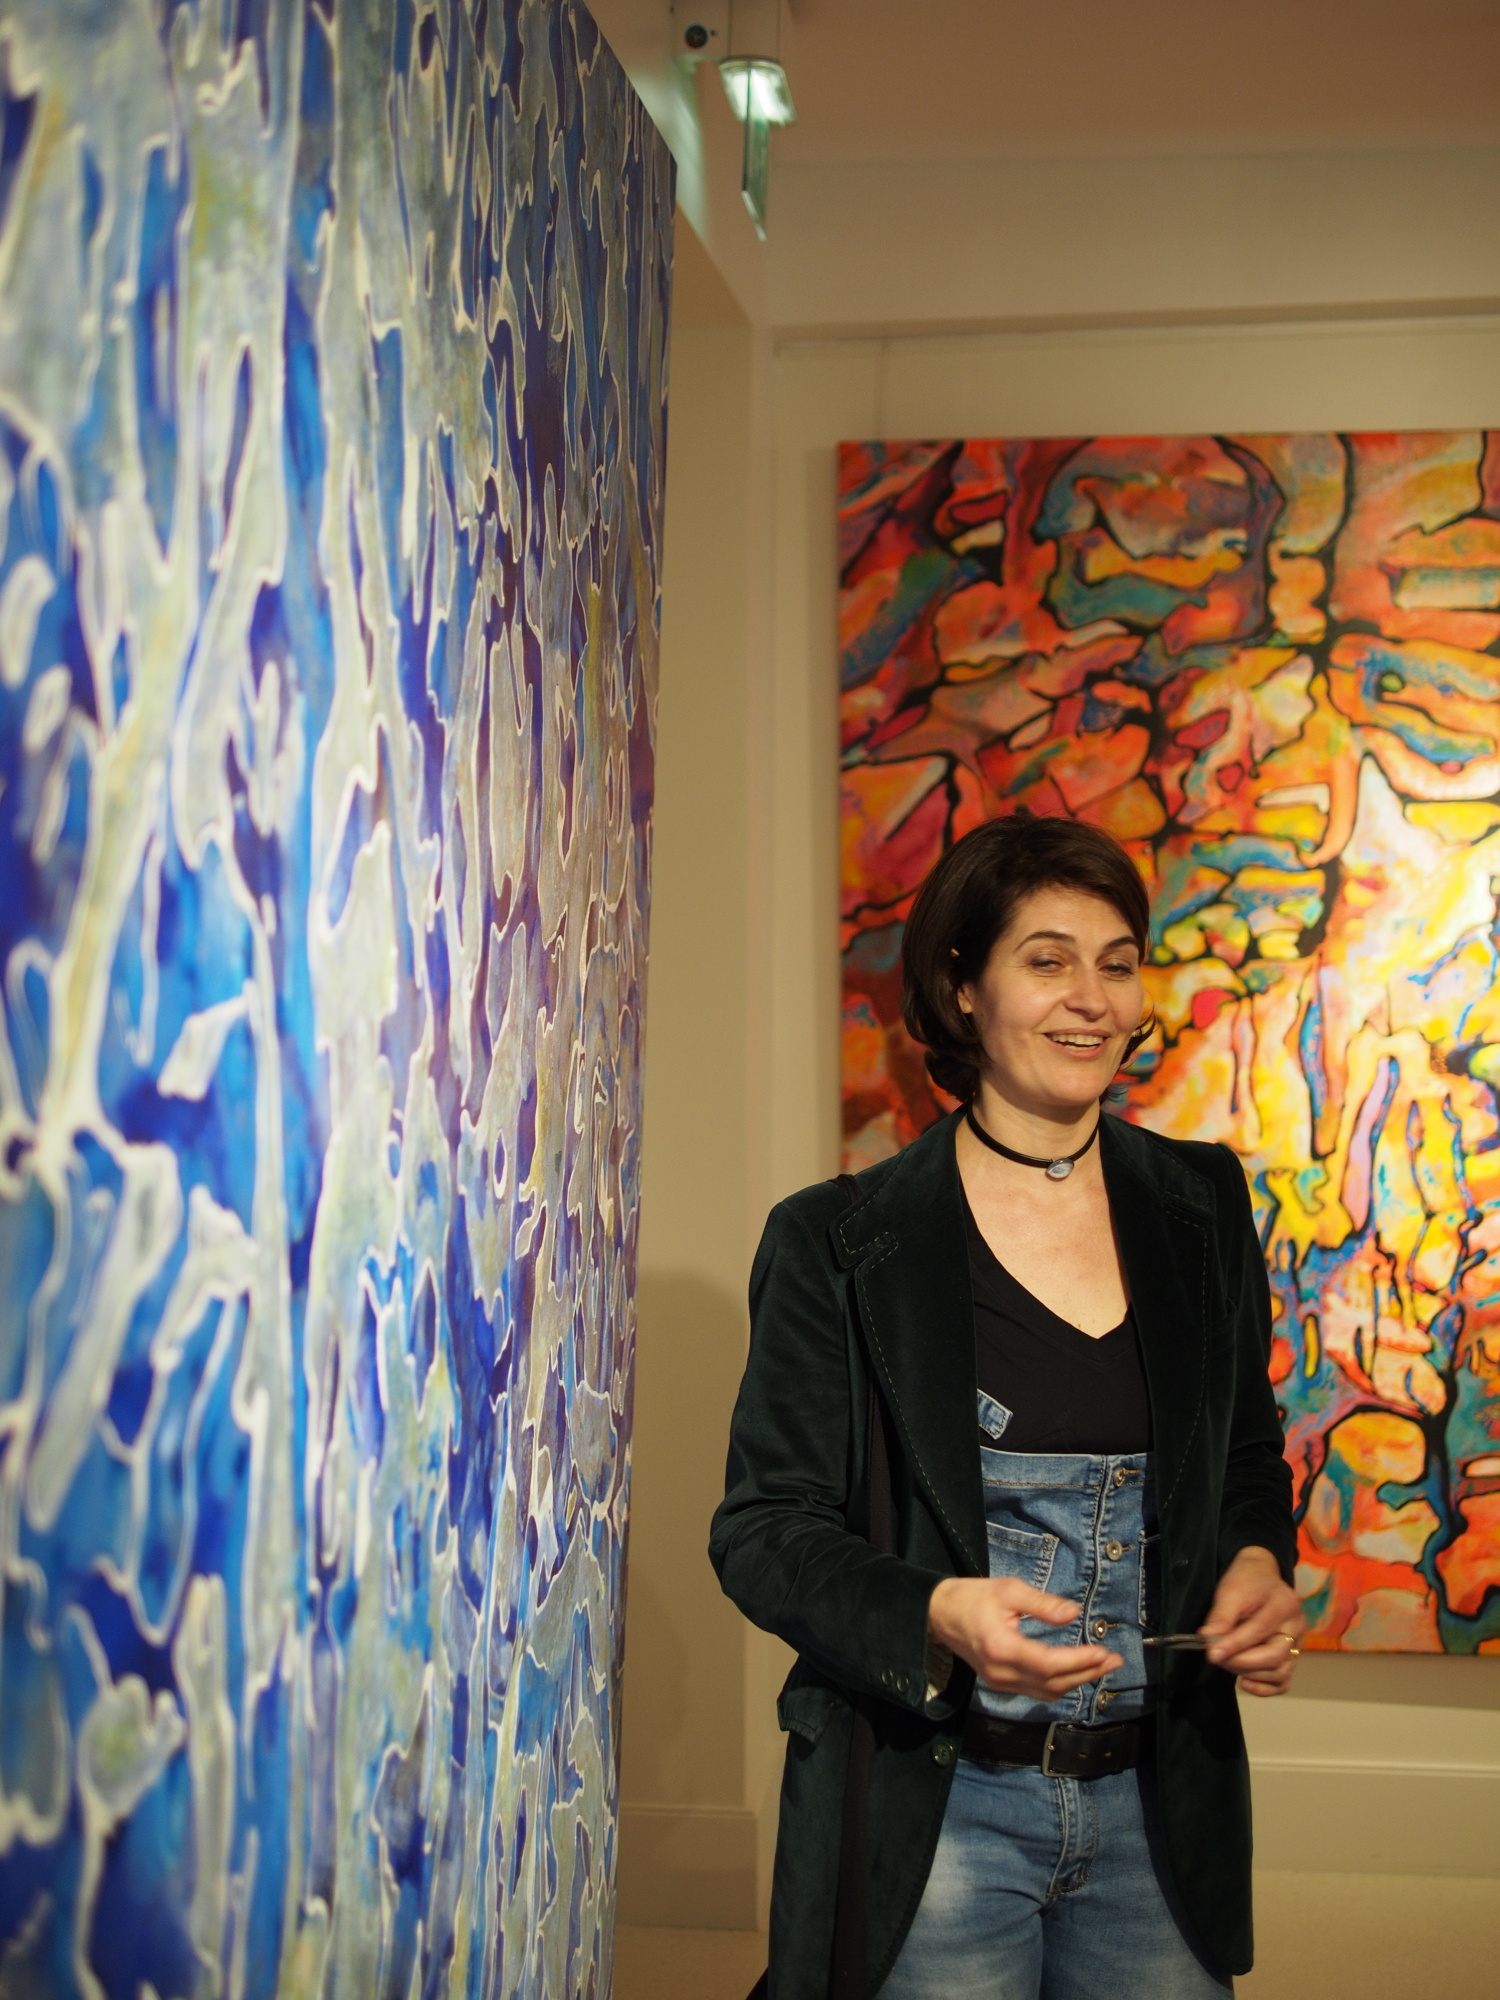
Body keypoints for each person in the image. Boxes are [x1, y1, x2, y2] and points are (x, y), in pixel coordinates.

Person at [709, 810, 1304, 1999]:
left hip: (1158, 1802)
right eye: (1047, 958)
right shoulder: (837, 1241)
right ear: (963, 987)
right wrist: (937, 1610)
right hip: (939, 1805)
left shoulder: (1201, 1202)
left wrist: (1255, 1559)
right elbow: (764, 1530)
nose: (1092, 997)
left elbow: (1245, 1454)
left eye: (1118, 962)